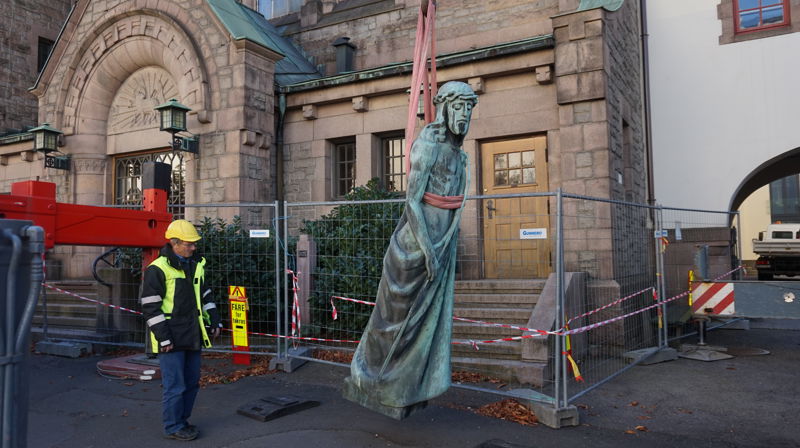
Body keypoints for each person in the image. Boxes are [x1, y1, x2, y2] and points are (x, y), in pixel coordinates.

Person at [344, 81, 478, 418]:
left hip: (441, 241)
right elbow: (412, 202)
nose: (464, 114)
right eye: (458, 106)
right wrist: (429, 250)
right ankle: (370, 378)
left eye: (468, 107)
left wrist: (442, 246)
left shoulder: (458, 153)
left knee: (423, 323)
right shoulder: (427, 146)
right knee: (392, 321)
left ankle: (408, 386)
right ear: (444, 108)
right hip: (414, 247)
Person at [141, 219, 222, 441]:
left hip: (191, 333)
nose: (193, 247)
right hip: (171, 337)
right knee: (175, 386)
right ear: (174, 243)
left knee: (191, 383)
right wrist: (164, 338)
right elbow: (150, 307)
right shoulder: (158, 269)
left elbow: (205, 294)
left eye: (194, 243)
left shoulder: (195, 265)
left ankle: (181, 422)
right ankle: (173, 426)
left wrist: (214, 320)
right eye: (189, 244)